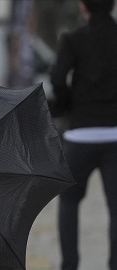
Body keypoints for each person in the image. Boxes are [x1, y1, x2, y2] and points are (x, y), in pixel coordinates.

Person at [50, 0, 117, 269]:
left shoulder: (73, 39)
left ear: (83, 7)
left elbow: (57, 78)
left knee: (69, 202)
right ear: (112, 5)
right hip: (115, 136)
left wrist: (69, 105)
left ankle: (70, 264)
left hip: (79, 136)